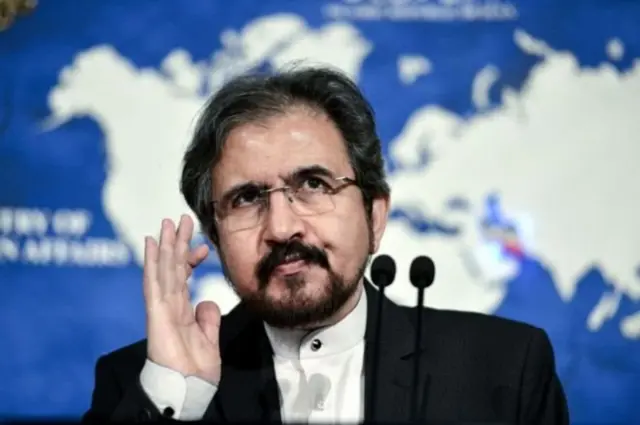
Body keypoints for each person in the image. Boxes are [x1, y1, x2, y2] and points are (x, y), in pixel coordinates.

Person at [82, 66, 570, 424]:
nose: (281, 227)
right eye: (247, 198)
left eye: (313, 184)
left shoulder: (504, 366)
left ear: (374, 215)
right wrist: (175, 396)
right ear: (214, 235)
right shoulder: (140, 384)